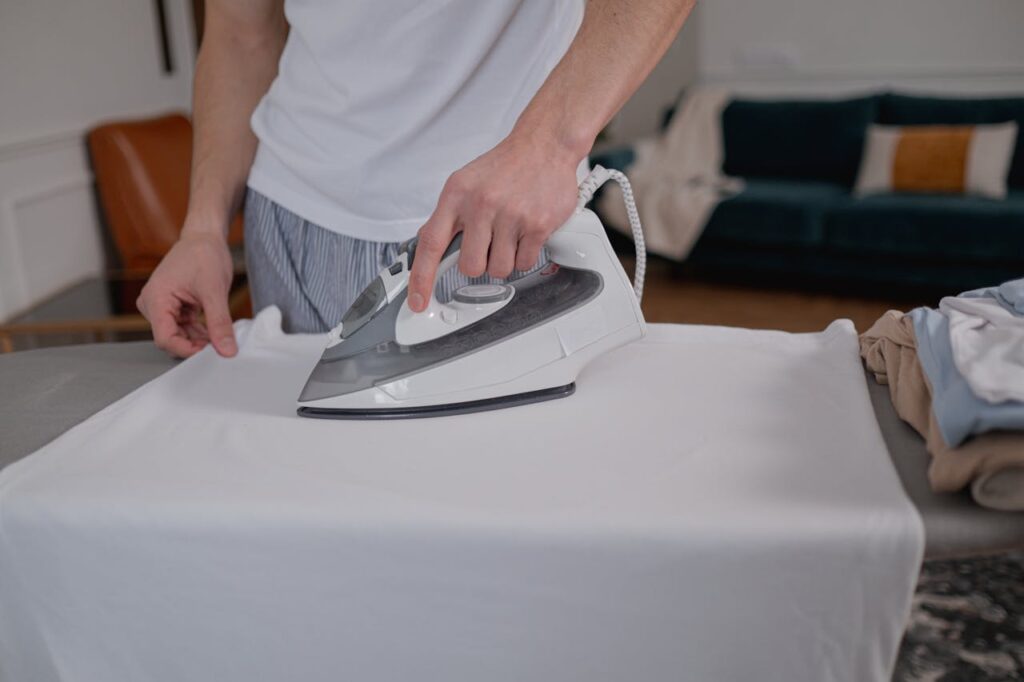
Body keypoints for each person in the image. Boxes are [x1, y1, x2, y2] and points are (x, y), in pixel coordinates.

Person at [137, 0, 694, 358]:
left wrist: (549, 146)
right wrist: (204, 227)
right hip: (290, 219)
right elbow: (241, 33)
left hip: (499, 221)